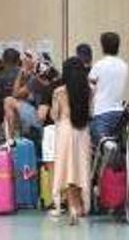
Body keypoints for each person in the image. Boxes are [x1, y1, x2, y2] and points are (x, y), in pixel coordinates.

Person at [51, 57, 92, 225]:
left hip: (65, 130)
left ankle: (73, 207)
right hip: (82, 131)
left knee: (67, 169)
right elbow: (91, 112)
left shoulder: (59, 91)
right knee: (80, 168)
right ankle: (82, 205)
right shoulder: (89, 90)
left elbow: (54, 115)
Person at [89, 32, 129, 145]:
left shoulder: (99, 66)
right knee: (116, 148)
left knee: (102, 149)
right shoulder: (124, 65)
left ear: (102, 46)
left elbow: (90, 89)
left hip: (102, 111)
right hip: (119, 112)